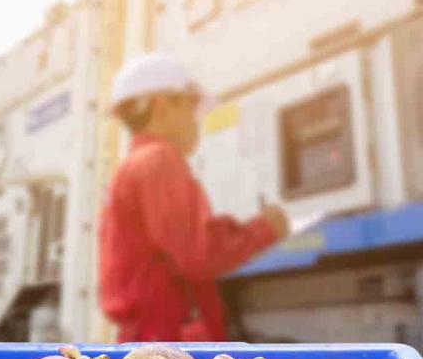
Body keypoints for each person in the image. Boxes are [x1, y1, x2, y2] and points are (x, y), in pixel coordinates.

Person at [98, 53, 289, 342]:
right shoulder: (159, 160)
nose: (195, 121)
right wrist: (267, 227)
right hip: (168, 342)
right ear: (162, 105)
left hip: (149, 338)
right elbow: (197, 253)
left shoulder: (133, 165)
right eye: (190, 109)